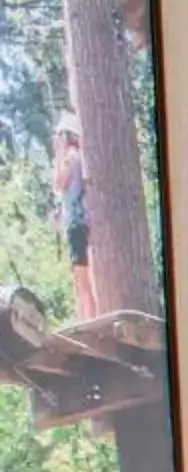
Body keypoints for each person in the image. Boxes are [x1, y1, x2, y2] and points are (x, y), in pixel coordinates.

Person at [51, 115, 91, 319]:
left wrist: (57, 156)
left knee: (81, 279)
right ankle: (84, 316)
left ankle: (88, 317)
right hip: (81, 220)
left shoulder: (69, 159)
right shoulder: (80, 158)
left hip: (76, 222)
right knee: (81, 276)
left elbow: (58, 183)